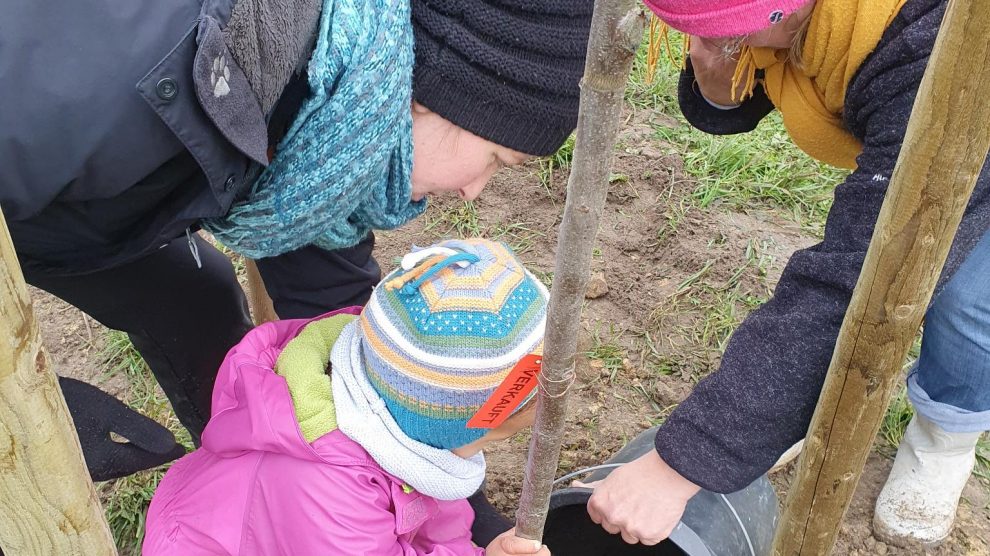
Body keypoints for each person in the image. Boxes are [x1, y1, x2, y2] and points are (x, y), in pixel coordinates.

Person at [0, 0, 592, 477]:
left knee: (192, 295)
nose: (474, 192)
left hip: (75, 211)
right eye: (495, 159)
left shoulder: (325, 133)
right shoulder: (120, 89)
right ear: (431, 99)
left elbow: (329, 295)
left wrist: (443, 483)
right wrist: (18, 419)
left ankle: (250, 461)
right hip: (41, 186)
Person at [584, 0, 990, 549]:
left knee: (967, 303)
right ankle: (794, 412)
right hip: (907, 113)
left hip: (978, 120)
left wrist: (685, 461)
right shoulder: (800, 29)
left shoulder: (939, 49)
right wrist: (715, 75)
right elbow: (740, 88)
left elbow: (857, 283)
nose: (726, 43)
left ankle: (945, 435)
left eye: (735, 32)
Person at [143, 239, 551, 555]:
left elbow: (439, 515)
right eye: (490, 438)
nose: (485, 449)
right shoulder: (327, 496)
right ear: (439, 427)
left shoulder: (398, 411)